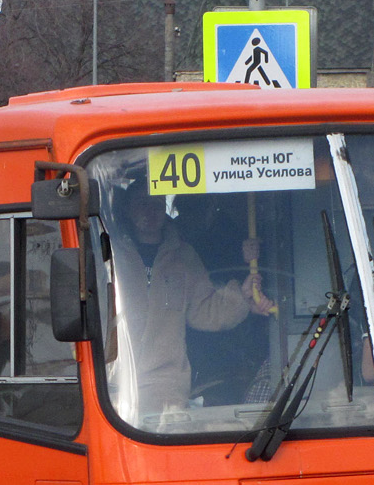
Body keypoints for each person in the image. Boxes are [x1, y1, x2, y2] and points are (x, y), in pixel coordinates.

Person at [112, 177, 275, 417]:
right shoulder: (110, 253)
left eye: (156, 203)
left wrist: (241, 295)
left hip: (166, 388)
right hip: (114, 384)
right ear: (127, 208)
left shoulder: (183, 256)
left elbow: (205, 310)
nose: (150, 211)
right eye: (141, 203)